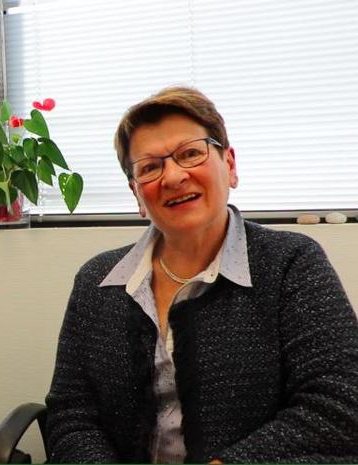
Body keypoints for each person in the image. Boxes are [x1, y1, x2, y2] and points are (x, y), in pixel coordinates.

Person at [45, 86, 358, 463]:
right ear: (137, 195)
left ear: (230, 165)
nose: (173, 176)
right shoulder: (97, 281)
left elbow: (340, 401)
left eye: (191, 153)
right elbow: (71, 414)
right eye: (150, 167)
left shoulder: (291, 263)